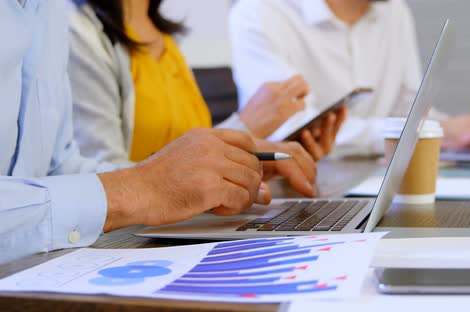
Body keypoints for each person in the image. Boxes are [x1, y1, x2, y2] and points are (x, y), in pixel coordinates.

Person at [0, 0, 310, 264]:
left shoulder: (50, 11)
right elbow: (118, 180)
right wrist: (143, 188)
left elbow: (62, 167)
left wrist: (208, 177)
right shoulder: (79, 26)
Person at [68, 0, 343, 163]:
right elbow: (102, 184)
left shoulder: (164, 38)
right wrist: (244, 129)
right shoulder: (77, 33)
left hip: (181, 232)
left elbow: (187, 160)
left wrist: (264, 160)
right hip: (129, 245)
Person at [230, 0, 470, 157]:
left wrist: (456, 130)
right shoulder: (260, 12)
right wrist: (427, 132)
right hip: (296, 185)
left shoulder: (394, 11)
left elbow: (407, 107)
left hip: (375, 175)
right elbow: (296, 129)